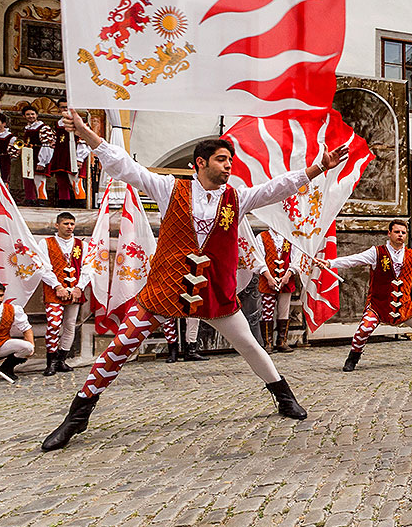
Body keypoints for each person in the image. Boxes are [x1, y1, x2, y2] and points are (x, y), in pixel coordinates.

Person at [40, 105, 343, 451]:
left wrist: (319, 167)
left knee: (249, 345)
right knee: (120, 347)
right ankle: (76, 417)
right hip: (165, 288)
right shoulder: (169, 188)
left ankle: (283, 396)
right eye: (221, 159)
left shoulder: (236, 198)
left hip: (214, 292)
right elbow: (125, 166)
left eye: (230, 160)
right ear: (200, 163)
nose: (228, 165)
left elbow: (277, 188)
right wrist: (84, 131)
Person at [328, 219, 412, 369]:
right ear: (389, 233)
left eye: (403, 232)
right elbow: (353, 260)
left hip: (404, 306)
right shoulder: (376, 252)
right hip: (379, 305)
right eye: (397, 232)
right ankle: (352, 359)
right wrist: (330, 263)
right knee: (364, 330)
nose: (400, 235)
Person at [37, 211, 93, 375]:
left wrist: (79, 287)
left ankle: (62, 360)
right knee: (54, 325)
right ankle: (51, 362)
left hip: (75, 290)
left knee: (70, 325)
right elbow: (43, 267)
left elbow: (88, 268)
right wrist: (57, 286)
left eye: (72, 224)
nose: (69, 227)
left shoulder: (81, 245)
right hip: (54, 290)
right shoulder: (46, 243)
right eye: (66, 224)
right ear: (57, 225)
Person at [257, 226, 301, 354]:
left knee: (284, 310)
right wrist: (268, 277)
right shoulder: (262, 237)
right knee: (267, 310)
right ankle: (268, 342)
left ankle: (281, 341)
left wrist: (288, 275)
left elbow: (296, 258)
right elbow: (259, 259)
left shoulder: (291, 237)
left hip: (286, 279)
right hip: (267, 279)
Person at [43, 100, 90, 208]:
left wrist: (79, 158)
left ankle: (80, 207)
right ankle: (64, 206)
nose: (65, 109)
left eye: (67, 107)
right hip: (60, 156)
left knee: (76, 183)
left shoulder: (79, 122)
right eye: (62, 107)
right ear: (59, 109)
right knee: (61, 183)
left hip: (73, 157)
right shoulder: (58, 123)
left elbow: (83, 141)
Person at [18, 103, 56, 206]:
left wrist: (42, 162)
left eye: (32, 114)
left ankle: (42, 200)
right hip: (29, 156)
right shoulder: (27, 128)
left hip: (38, 156)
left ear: (37, 115)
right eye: (28, 114)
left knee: (39, 179)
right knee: (28, 179)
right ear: (24, 116)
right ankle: (30, 199)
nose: (31, 116)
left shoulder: (44, 128)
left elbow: (47, 146)